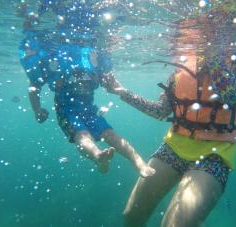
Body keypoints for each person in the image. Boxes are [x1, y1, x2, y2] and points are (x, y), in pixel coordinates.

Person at [104, 0, 236, 226]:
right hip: (174, 147)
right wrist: (123, 92)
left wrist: (211, 53)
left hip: (215, 156)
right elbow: (160, 111)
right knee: (131, 216)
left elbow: (227, 92)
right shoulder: (182, 71)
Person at [17, 0, 155, 177]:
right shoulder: (53, 57)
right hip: (66, 110)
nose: (78, 39)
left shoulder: (90, 56)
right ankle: (98, 156)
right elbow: (34, 85)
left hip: (89, 109)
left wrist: (112, 84)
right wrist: (37, 109)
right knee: (82, 135)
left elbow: (107, 77)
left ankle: (140, 164)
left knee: (110, 134)